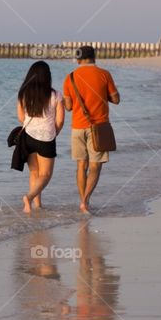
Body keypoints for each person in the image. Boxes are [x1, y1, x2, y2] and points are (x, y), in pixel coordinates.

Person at [62, 46, 120, 213]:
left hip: (78, 128)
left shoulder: (70, 77)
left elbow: (68, 106)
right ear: (94, 57)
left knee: (81, 165)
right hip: (99, 128)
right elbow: (116, 99)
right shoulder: (104, 74)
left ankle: (83, 201)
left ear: (79, 59)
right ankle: (86, 201)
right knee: (95, 166)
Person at [17, 60, 65, 213]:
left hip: (28, 136)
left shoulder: (23, 93)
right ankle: (29, 198)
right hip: (46, 137)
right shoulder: (56, 95)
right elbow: (60, 120)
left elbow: (21, 118)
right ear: (47, 76)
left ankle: (36, 206)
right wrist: (54, 132)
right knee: (46, 175)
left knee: (34, 173)